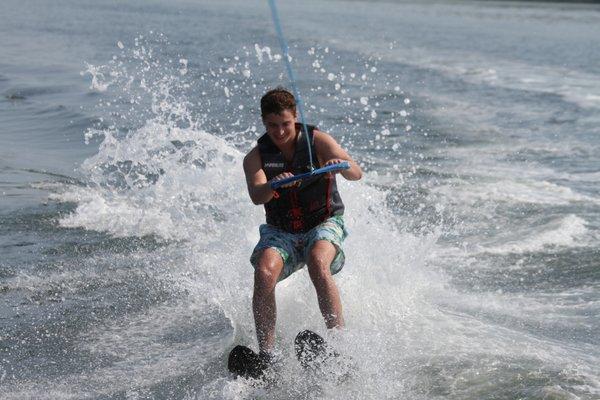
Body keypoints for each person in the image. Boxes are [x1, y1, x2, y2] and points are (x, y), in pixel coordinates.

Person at [243, 87, 362, 363]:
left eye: (285, 124)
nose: (280, 132)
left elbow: (357, 173)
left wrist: (340, 164)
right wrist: (274, 184)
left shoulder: (318, 141)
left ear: (295, 117)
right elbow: (256, 195)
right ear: (263, 122)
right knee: (263, 272)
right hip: (281, 231)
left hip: (322, 222)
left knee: (317, 261)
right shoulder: (256, 157)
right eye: (272, 126)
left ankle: (339, 348)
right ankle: (267, 356)